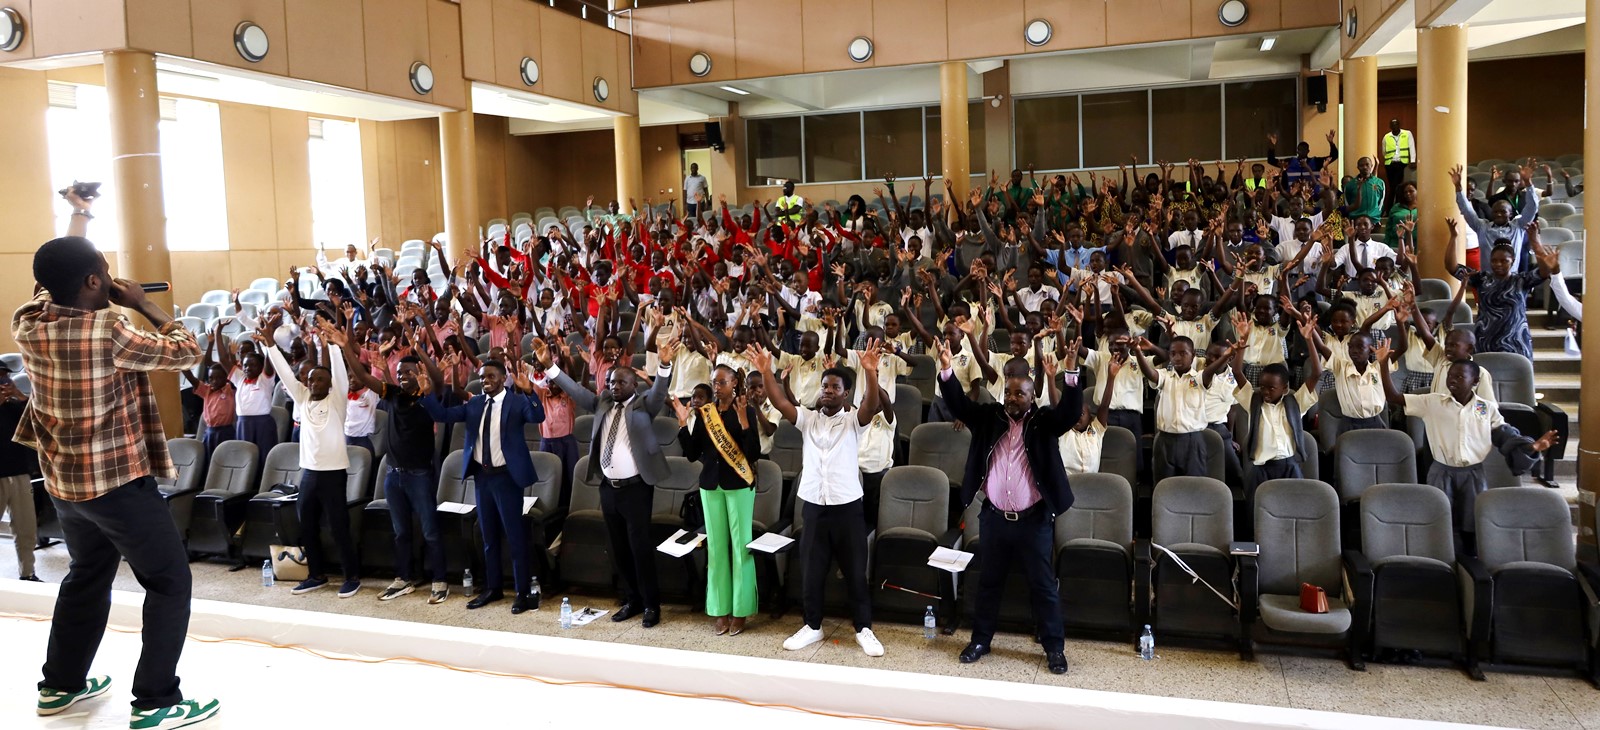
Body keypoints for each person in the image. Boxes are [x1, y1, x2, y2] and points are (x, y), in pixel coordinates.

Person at [17, 230, 219, 724]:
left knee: (86, 575)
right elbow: (186, 349)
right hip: (117, 484)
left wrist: (82, 239)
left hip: (65, 484)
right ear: (92, 281)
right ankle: (156, 700)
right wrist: (142, 304)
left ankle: (60, 686)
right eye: (104, 273)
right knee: (169, 581)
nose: (111, 280)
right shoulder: (108, 330)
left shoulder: (28, 323)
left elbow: (51, 282)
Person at [934, 328, 1081, 676]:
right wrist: (946, 371)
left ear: (1033, 396)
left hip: (1033, 521)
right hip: (995, 518)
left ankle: (1054, 649)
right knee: (988, 583)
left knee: (1043, 587)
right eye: (1010, 392)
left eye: (1022, 393)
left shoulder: (1044, 422)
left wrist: (1070, 374)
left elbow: (1070, 414)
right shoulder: (989, 417)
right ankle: (981, 640)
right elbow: (957, 403)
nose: (1014, 398)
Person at [749, 343, 886, 658]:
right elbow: (780, 401)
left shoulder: (854, 421)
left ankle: (864, 629)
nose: (827, 391)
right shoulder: (807, 419)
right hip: (812, 506)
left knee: (854, 572)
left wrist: (869, 371)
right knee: (811, 570)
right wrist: (766, 370)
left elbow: (872, 404)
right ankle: (813, 626)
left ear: (845, 394)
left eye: (835, 387)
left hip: (848, 507)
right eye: (825, 386)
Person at [540, 337, 675, 628]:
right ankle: (631, 599)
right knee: (618, 547)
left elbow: (659, 391)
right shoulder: (602, 402)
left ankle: (651, 604)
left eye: (620, 383)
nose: (614, 387)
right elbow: (576, 390)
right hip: (609, 488)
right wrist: (550, 367)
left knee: (639, 547)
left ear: (633, 385)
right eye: (611, 382)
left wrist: (664, 365)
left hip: (637, 488)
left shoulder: (644, 405)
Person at [1377, 345, 1557, 553]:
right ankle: (1440, 560)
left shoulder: (1485, 408)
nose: (1452, 380)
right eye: (1450, 376)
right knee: (1439, 520)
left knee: (1472, 523)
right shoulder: (1433, 402)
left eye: (1460, 377)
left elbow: (1504, 435)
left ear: (1475, 381)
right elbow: (1393, 397)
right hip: (1441, 472)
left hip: (1473, 474)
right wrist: (1383, 364)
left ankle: (1471, 562)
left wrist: (1532, 446)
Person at [332, 324, 451, 605]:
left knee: (431, 531)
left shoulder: (428, 399)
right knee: (400, 532)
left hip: (419, 474)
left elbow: (439, 380)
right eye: (400, 374)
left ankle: (440, 580)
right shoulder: (393, 394)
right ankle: (404, 578)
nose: (403, 377)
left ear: (419, 374)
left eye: (409, 373)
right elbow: (361, 374)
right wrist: (344, 346)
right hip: (393, 475)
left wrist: (419, 350)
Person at [422, 356, 546, 614]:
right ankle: (493, 587)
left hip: (507, 479)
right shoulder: (475, 403)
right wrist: (427, 394)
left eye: (491, 377)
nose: (485, 381)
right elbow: (443, 415)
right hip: (483, 477)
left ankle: (522, 592)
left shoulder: (516, 401)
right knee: (487, 536)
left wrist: (529, 391)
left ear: (503, 379)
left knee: (514, 538)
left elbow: (537, 415)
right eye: (482, 377)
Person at [260, 321, 363, 600]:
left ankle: (351, 576)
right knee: (306, 525)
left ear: (329, 384)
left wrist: (332, 344)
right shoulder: (302, 398)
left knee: (339, 526)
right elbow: (284, 371)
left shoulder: (337, 400)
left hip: (333, 473)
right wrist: (270, 344)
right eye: (310, 379)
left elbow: (341, 373)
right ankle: (316, 574)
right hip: (308, 473)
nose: (312, 382)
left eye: (319, 379)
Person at [673, 364, 761, 636]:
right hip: (711, 485)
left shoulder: (745, 410)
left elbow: (754, 452)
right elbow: (691, 453)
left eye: (722, 382)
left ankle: (741, 609)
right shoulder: (705, 413)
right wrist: (682, 423)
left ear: (734, 383)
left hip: (739, 484)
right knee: (716, 549)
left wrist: (745, 424)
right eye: (714, 382)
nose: (717, 387)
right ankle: (719, 608)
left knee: (740, 547)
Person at [1446, 222, 1554, 359]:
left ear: (1513, 261)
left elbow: (1545, 271)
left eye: (1504, 261)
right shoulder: (1482, 279)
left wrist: (1535, 241)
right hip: (1484, 342)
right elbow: (1452, 267)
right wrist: (1454, 237)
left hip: (1516, 344)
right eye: (1494, 260)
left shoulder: (1522, 280)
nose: (1498, 264)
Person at [0, 364, 39, 582]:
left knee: (26, 529)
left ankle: (28, 573)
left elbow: (38, 420)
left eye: (5, 376)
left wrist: (20, 396)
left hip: (20, 474)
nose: (3, 381)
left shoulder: (14, 407)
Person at [1380, 119, 1415, 214]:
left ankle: (1389, 208)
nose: (1394, 126)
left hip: (1402, 163)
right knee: (1393, 186)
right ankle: (1394, 207)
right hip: (1390, 164)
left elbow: (1411, 147)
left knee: (1396, 186)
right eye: (1392, 125)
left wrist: (1412, 160)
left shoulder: (1407, 134)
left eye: (1396, 124)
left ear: (1399, 125)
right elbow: (1384, 151)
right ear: (1390, 126)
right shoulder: (1386, 137)